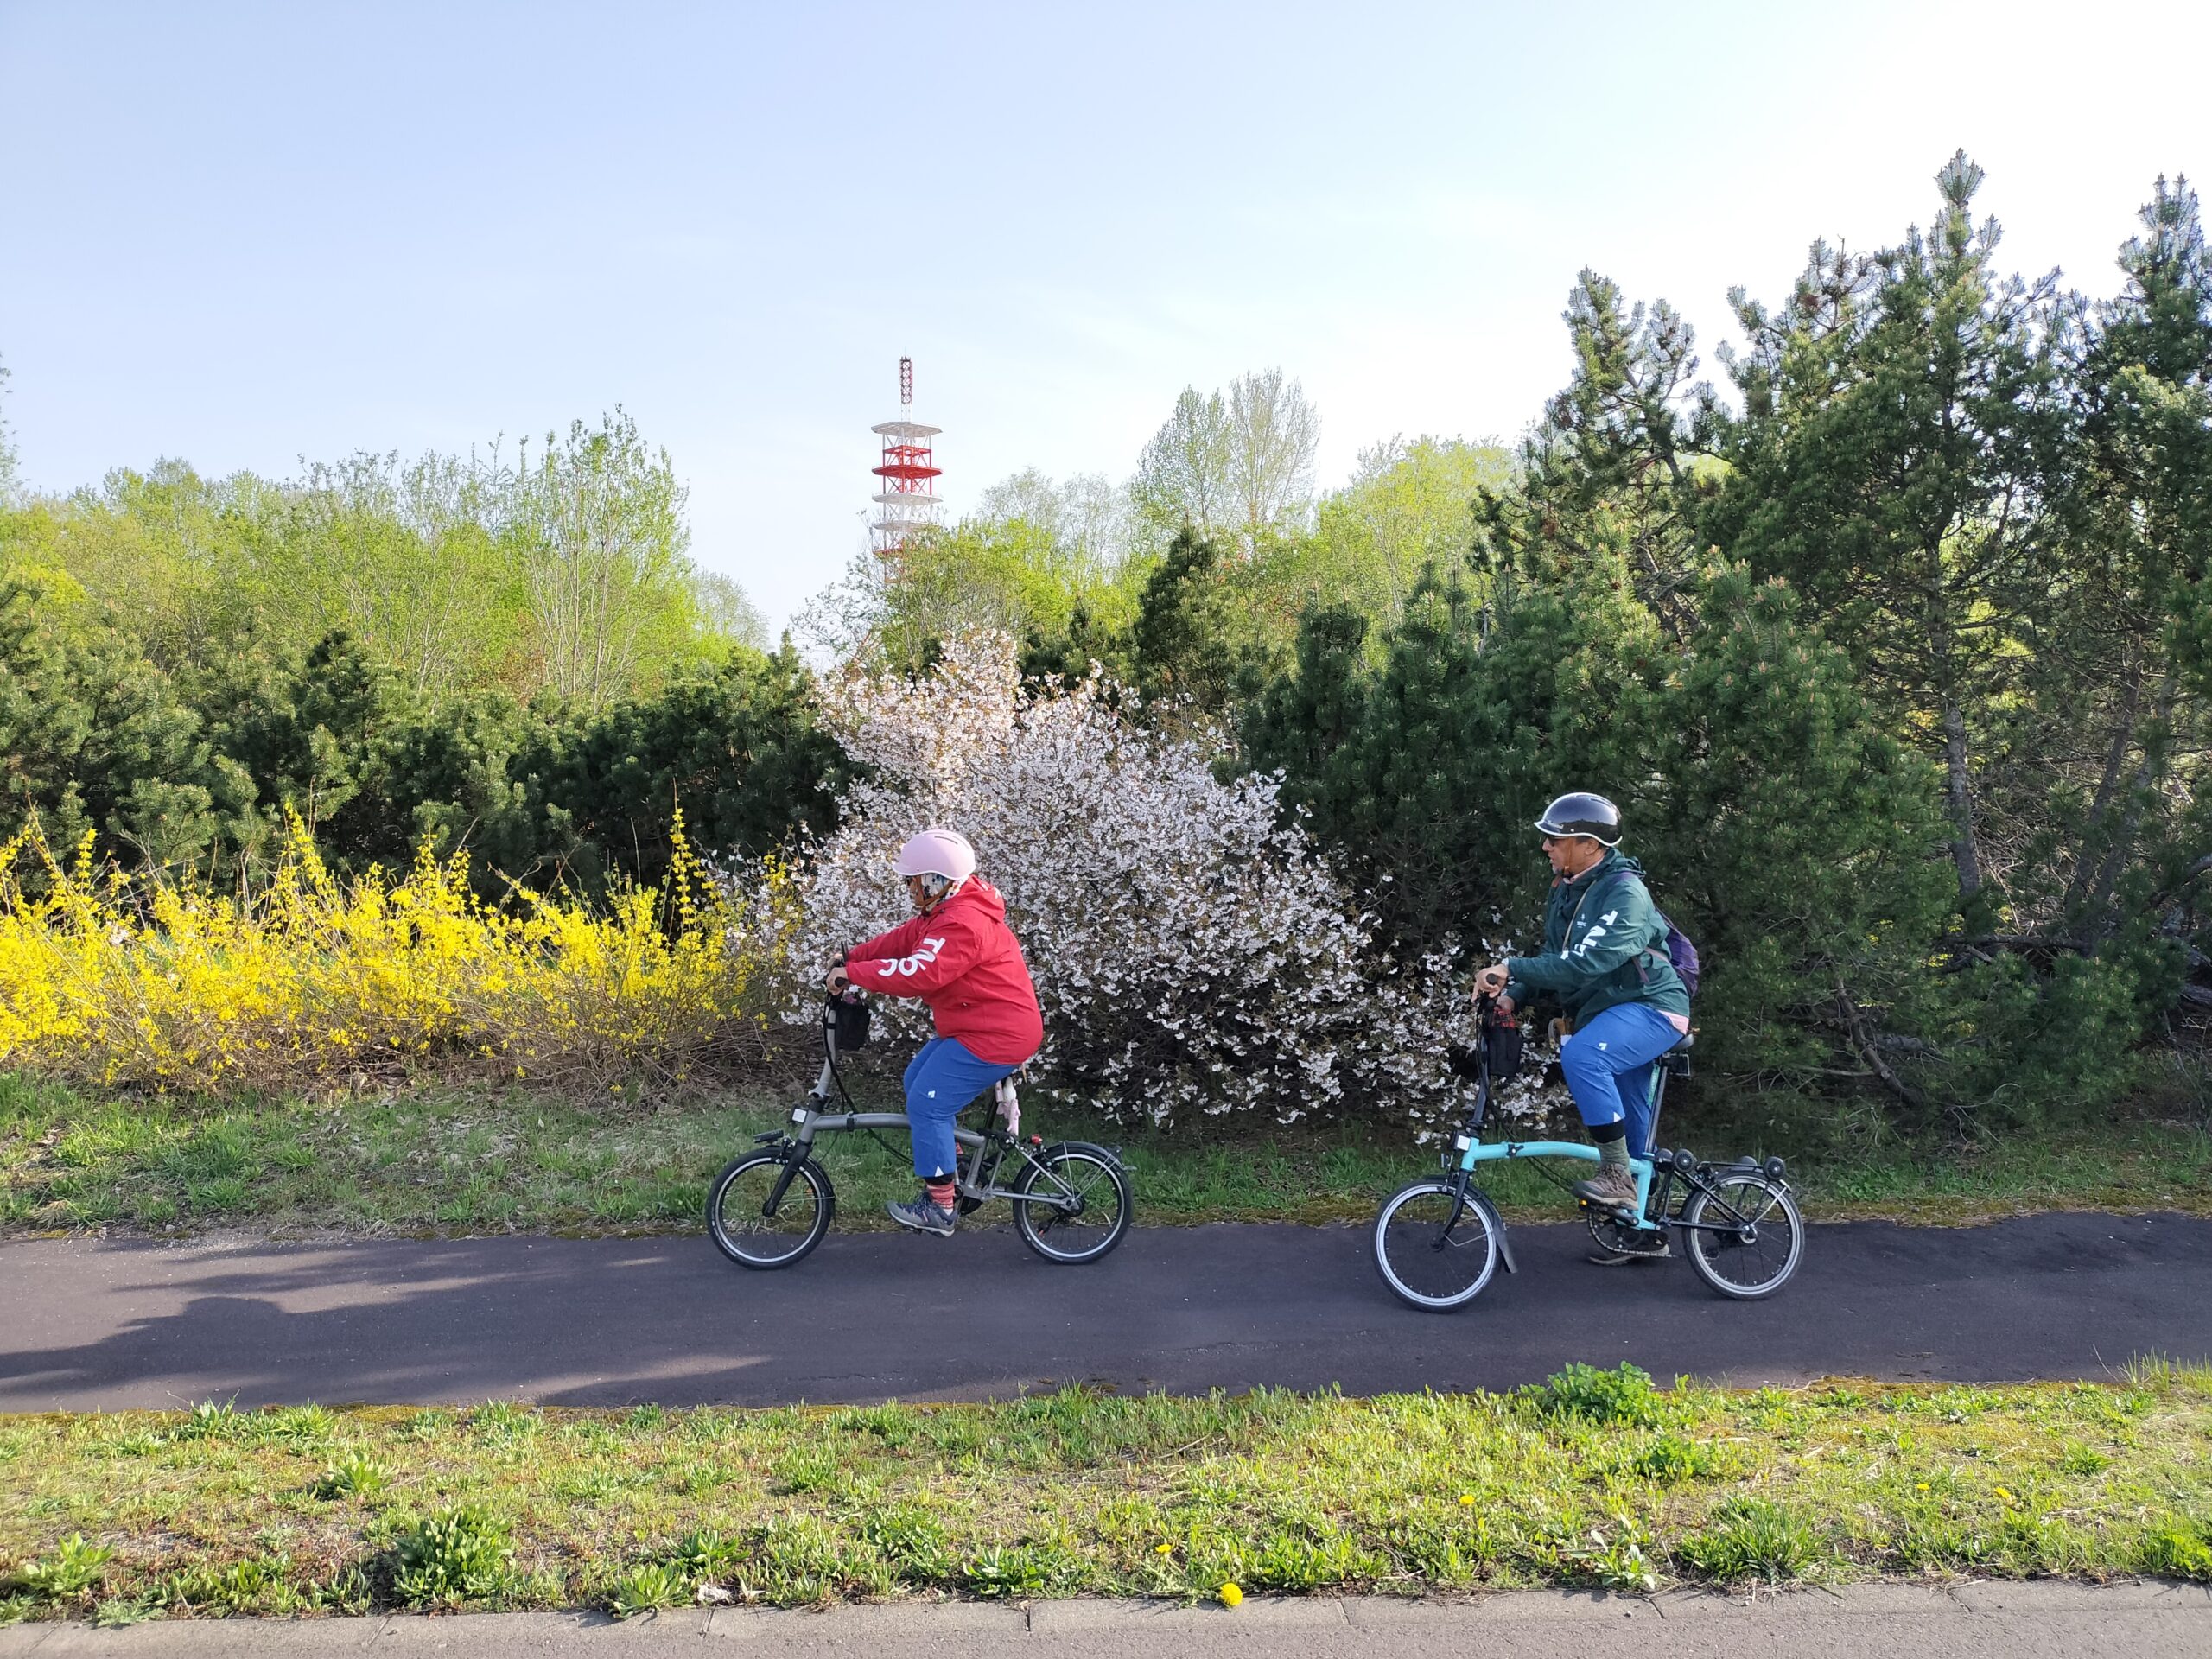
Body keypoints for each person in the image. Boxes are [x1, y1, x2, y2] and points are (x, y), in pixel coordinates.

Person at [1471, 791, 1691, 1227]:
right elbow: (1556, 957)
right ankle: (1645, 1229)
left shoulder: (1625, 892)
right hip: (1612, 1013)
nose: (1546, 846)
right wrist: (1516, 992)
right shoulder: (1569, 891)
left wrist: (1510, 965)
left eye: (1555, 838)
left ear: (1589, 845)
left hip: (1651, 1008)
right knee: (1630, 1123)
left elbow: (1587, 963)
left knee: (1583, 1055)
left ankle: (1616, 1176)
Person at [826, 827, 1044, 1237]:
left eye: (913, 880)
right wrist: (853, 956)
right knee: (916, 1082)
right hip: (974, 1026)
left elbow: (920, 972)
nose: (909, 888)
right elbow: (902, 942)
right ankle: (957, 1168)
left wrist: (853, 974)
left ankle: (941, 1207)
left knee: (929, 1104)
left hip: (999, 1034)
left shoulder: (963, 923)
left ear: (936, 880)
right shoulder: (943, 912)